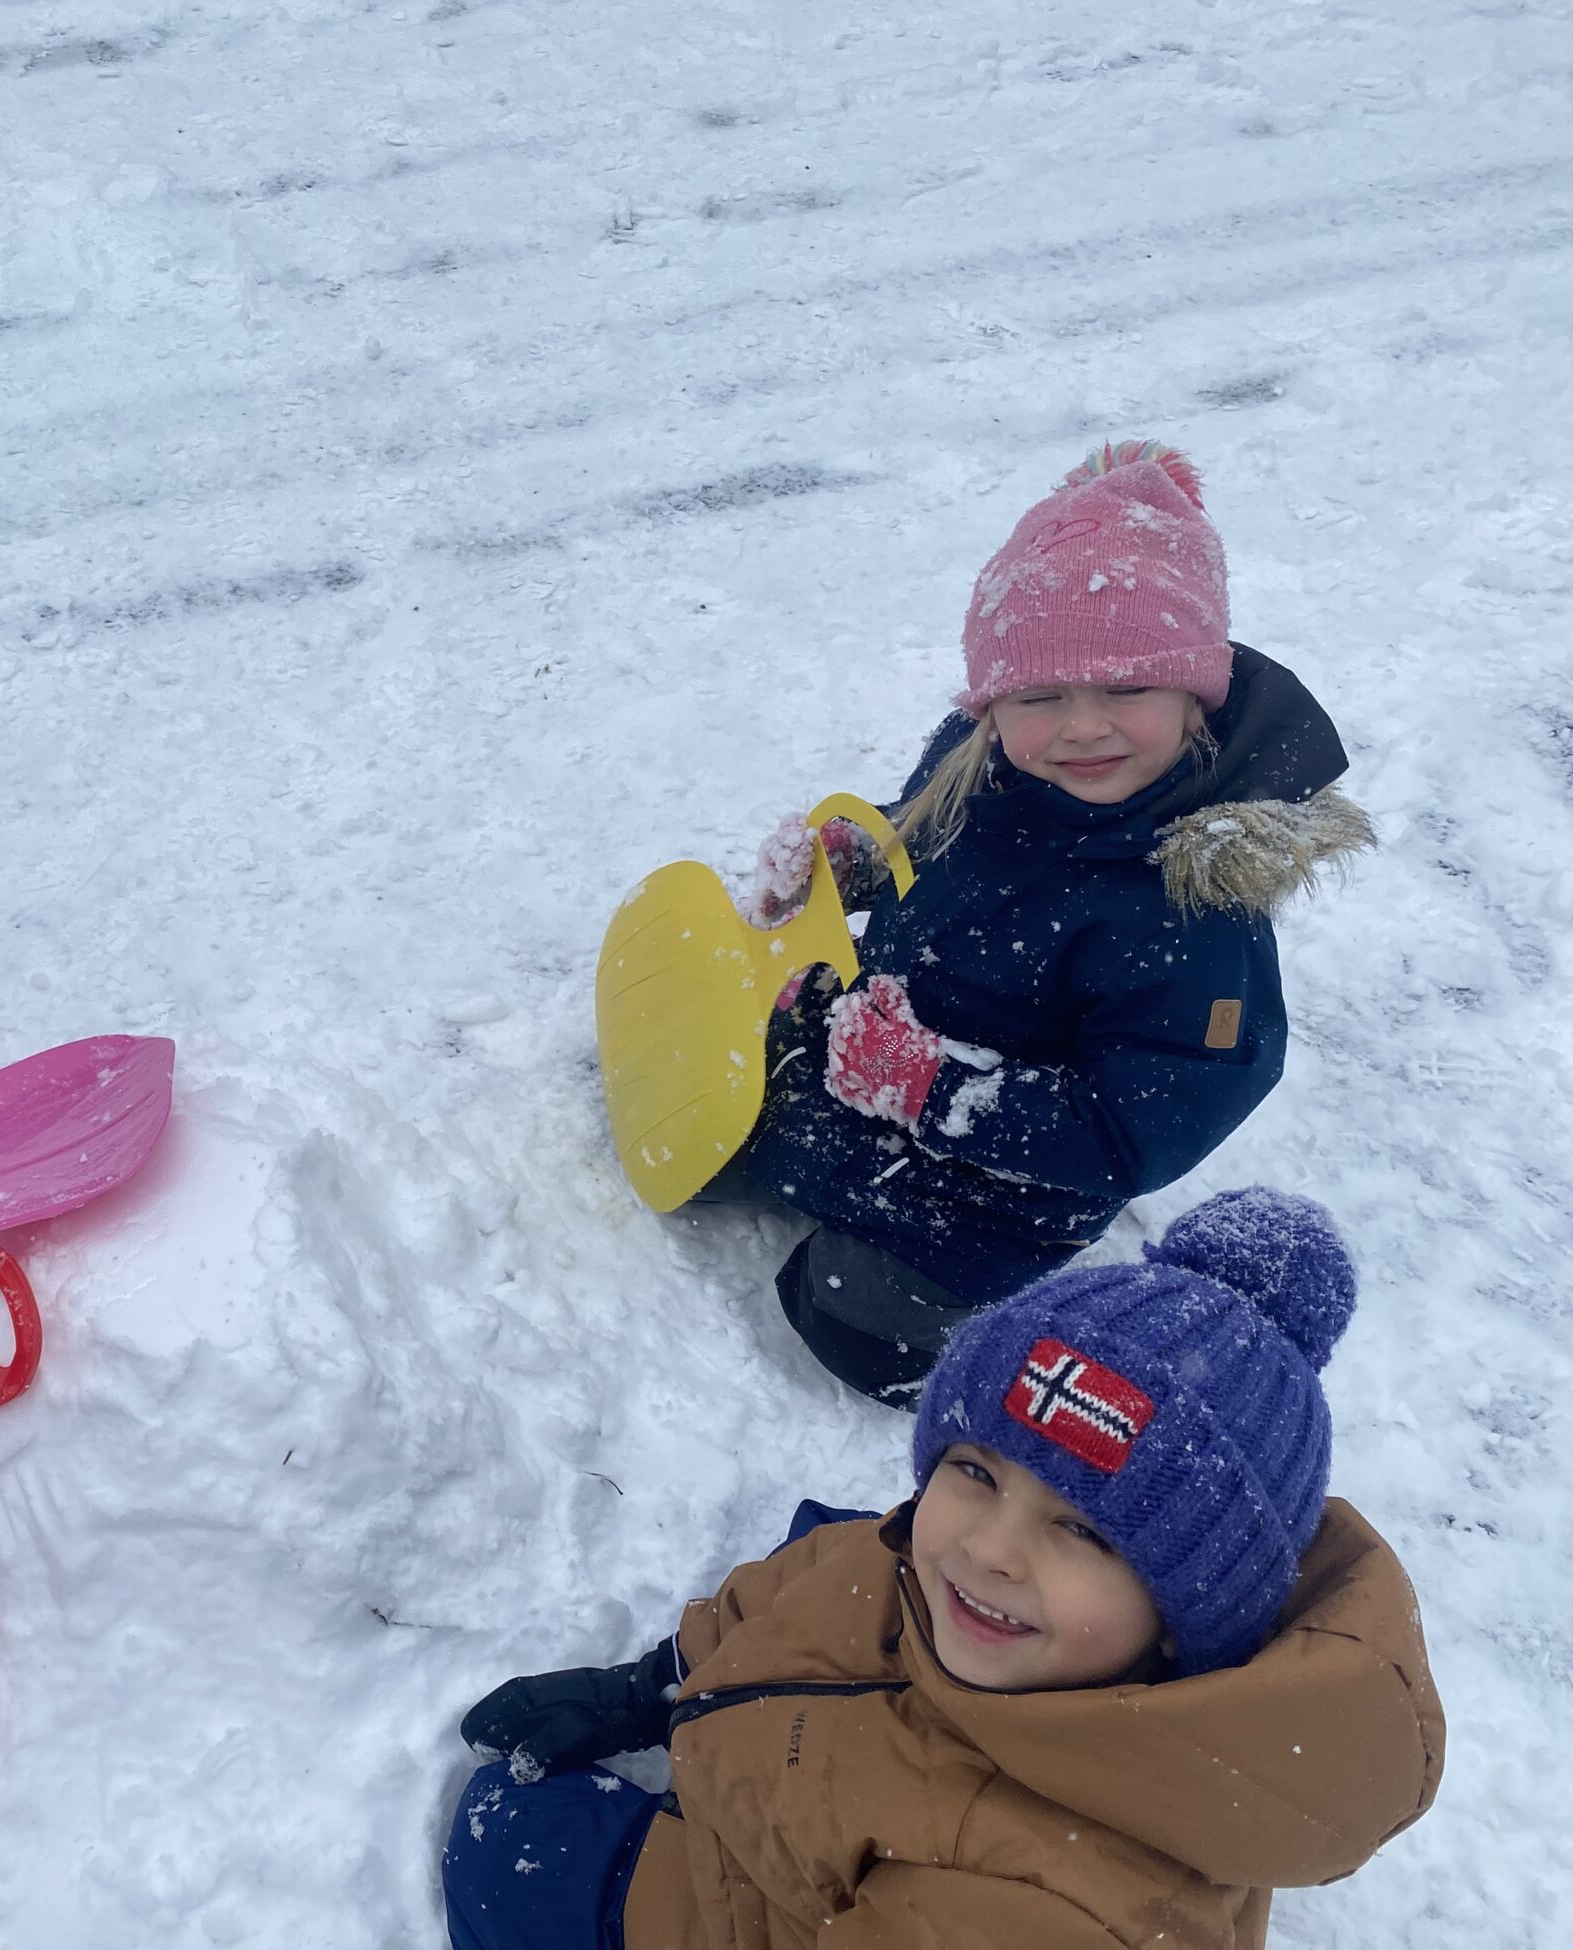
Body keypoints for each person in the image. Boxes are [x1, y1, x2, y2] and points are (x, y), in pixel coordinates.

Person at [444, 1187, 1442, 1950]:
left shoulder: (1048, 1906)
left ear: (1191, 1617)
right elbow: (807, 1586)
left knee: (500, 1836)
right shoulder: (930, 1572)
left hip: (752, 1915)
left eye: (1084, 1531)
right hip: (778, 1787)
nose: (988, 1546)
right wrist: (652, 1683)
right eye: (976, 1470)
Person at [702, 441, 1372, 1401]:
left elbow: (1134, 1130)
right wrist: (853, 866)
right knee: (725, 1096)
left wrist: (934, 1089)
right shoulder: (982, 761)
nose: (1082, 725)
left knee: (860, 1323)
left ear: (1197, 694)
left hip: (1010, 1177)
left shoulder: (1195, 910)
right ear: (993, 702)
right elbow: (925, 838)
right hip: (886, 1038)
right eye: (1039, 695)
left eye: (1127, 688)